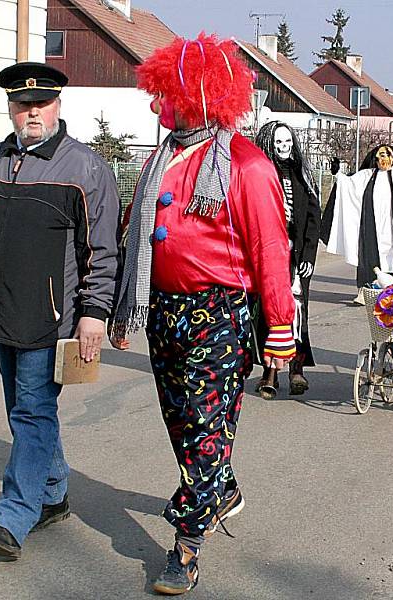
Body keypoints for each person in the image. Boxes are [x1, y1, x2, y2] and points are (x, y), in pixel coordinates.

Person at [108, 34, 295, 595]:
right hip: (164, 311)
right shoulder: (161, 157)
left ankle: (186, 543)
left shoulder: (246, 164)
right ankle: (223, 488)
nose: (155, 104)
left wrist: (281, 328)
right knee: (181, 423)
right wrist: (122, 305)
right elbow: (138, 234)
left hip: (219, 314)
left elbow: (269, 249)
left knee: (206, 427)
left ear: (197, 95)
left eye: (165, 93)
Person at [0, 62, 121, 559]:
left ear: (57, 105)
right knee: (25, 413)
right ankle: (53, 494)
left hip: (49, 320)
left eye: (41, 103)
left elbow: (102, 251)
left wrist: (94, 313)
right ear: (10, 107)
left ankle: (12, 517)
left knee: (32, 411)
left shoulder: (86, 169)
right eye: (21, 104)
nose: (31, 112)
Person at [320, 145, 393, 304]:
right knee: (368, 257)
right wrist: (337, 173)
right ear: (375, 159)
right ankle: (365, 291)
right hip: (371, 227)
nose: (384, 159)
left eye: (387, 155)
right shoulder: (366, 176)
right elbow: (348, 186)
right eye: (380, 156)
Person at [254, 121, 321, 397]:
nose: (284, 148)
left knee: (297, 311)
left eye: (288, 143)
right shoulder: (260, 174)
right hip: (269, 254)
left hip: (296, 256)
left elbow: (312, 218)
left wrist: (308, 254)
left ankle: (297, 369)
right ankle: (269, 371)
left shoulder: (301, 175)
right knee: (270, 312)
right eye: (279, 143)